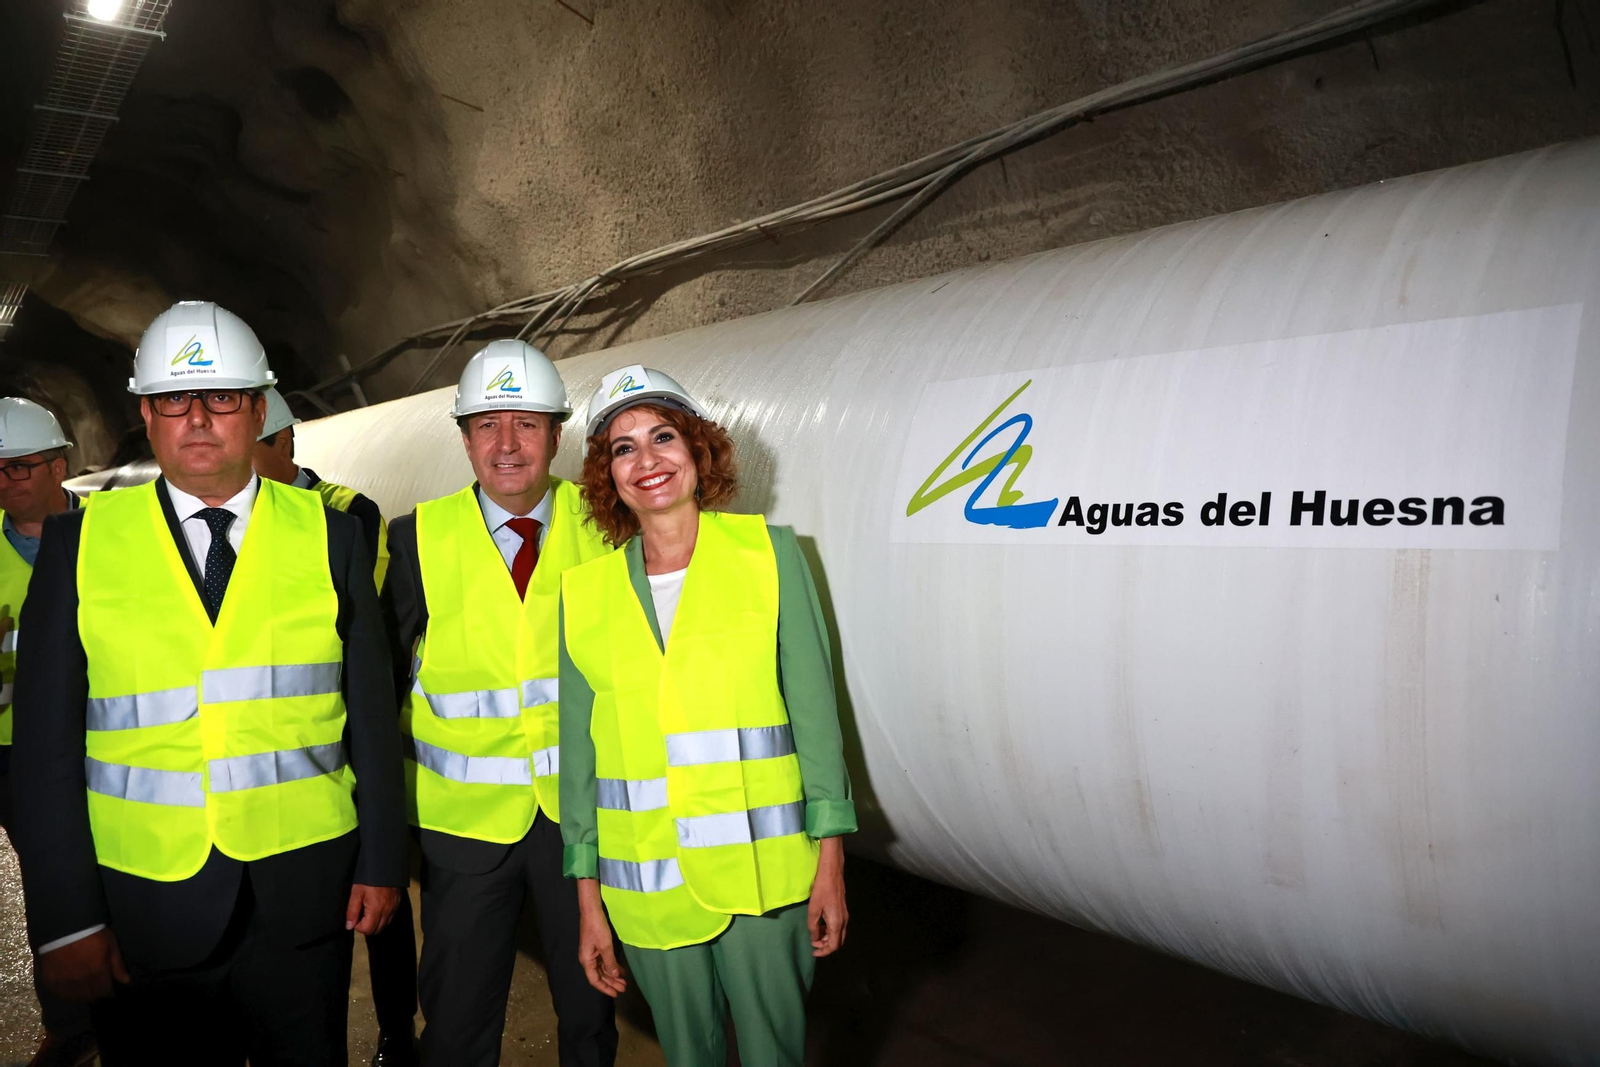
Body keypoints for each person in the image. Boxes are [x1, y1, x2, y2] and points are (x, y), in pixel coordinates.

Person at [9, 300, 407, 1066]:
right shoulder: (80, 544)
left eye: (221, 396)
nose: (198, 418)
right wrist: (64, 920)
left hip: (304, 893)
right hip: (145, 905)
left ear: (258, 409)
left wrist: (383, 859)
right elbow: (45, 754)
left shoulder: (331, 534)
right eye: (173, 400)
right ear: (147, 416)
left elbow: (369, 712)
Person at [558, 365, 856, 1067]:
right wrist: (588, 903)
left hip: (767, 878)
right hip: (647, 886)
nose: (647, 459)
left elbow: (816, 720)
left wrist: (832, 860)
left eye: (663, 436)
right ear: (608, 476)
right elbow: (581, 763)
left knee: (773, 1055)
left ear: (698, 451)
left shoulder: (770, 556)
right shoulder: (585, 593)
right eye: (622, 447)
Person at [382, 339, 618, 1067]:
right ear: (463, 436)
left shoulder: (611, 524)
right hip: (464, 833)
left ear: (557, 433)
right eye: (487, 423)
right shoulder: (416, 538)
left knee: (590, 1012)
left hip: (584, 825)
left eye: (526, 422)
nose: (507, 443)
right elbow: (383, 684)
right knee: (455, 1025)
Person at [252, 385, 416, 1066]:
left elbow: (362, 619)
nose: (249, 456)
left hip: (352, 720)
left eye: (262, 441)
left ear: (289, 441)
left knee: (383, 896)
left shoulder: (348, 512)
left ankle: (396, 1033)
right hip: (290, 736)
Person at [0, 399, 97, 1067]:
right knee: (47, 880)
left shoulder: (112, 540)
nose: (5, 481)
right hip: (10, 748)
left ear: (60, 465)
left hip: (98, 742)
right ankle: (68, 1021)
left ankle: (118, 1014)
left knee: (105, 878)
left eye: (19, 467)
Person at [253, 387, 392, 590]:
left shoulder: (350, 510)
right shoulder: (221, 518)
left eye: (242, 457)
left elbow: (369, 599)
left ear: (282, 443)